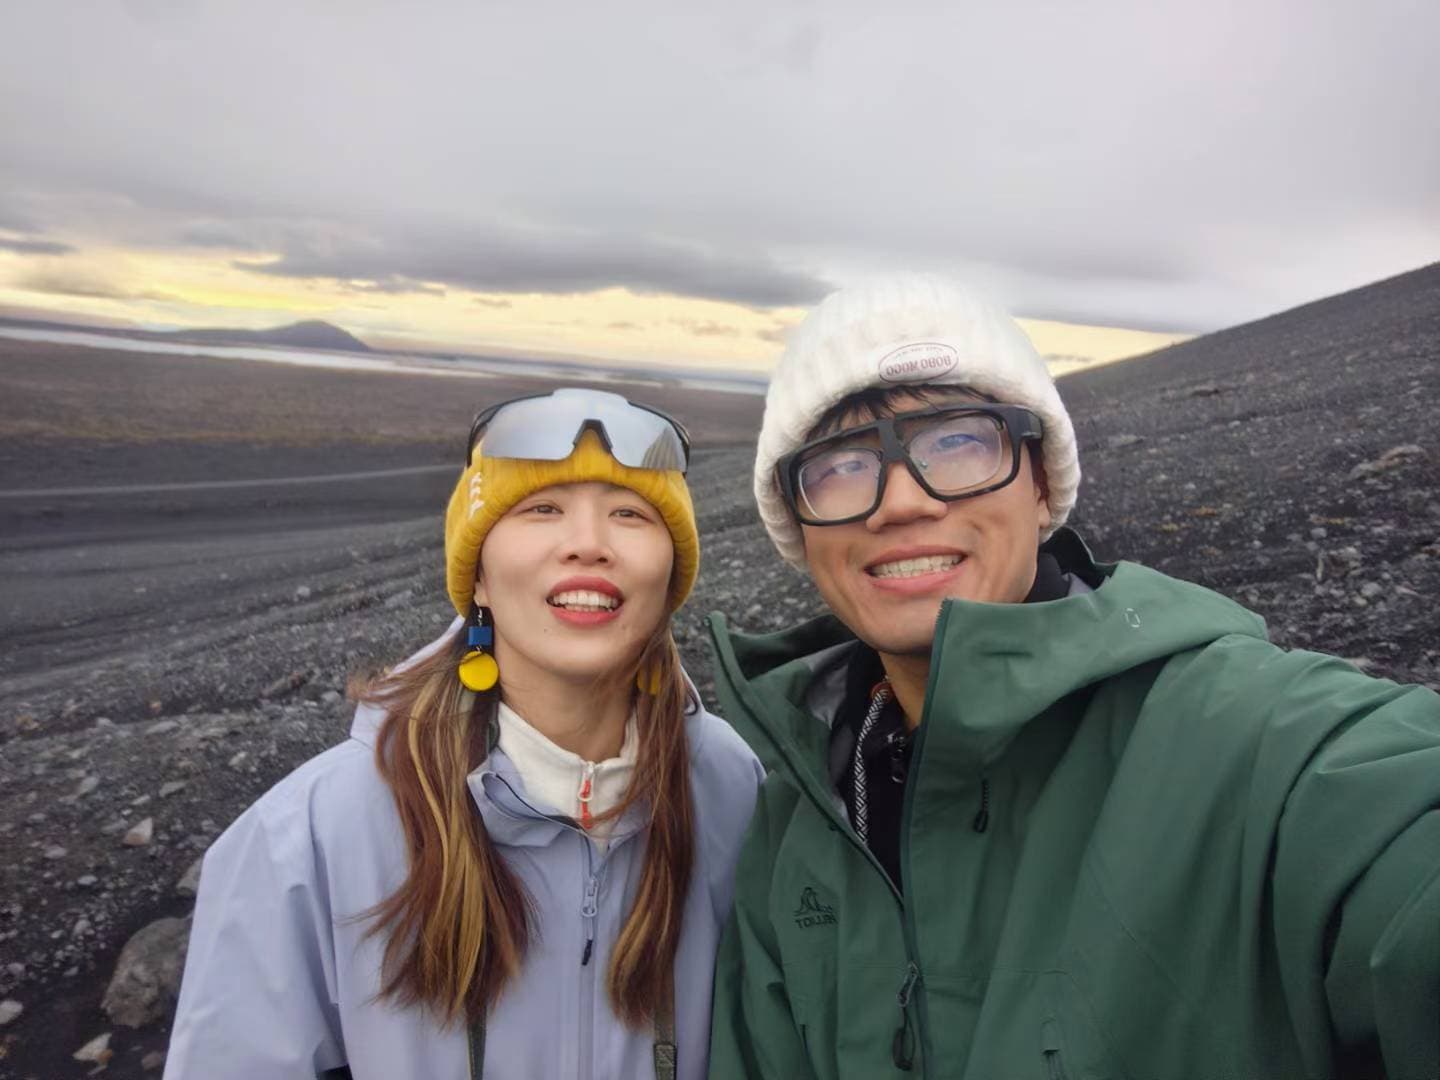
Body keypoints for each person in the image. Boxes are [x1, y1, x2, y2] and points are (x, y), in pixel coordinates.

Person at [706, 277, 1440, 1080]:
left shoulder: (1256, 744)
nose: (902, 501)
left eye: (959, 442)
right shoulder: (796, 813)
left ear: (1043, 483)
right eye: (842, 466)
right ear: (799, 528)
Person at [165, 388, 763, 1079]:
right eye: (542, 509)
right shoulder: (310, 835)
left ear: (670, 575)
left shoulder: (732, 789)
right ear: (477, 575)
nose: (588, 544)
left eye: (629, 514)